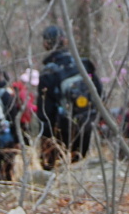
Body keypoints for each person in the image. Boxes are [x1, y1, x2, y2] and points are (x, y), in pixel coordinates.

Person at [37, 25, 103, 170]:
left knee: (53, 171)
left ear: (46, 44)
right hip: (86, 121)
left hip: (61, 128)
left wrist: (46, 139)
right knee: (79, 165)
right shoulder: (83, 64)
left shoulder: (48, 72)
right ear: (65, 41)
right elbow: (99, 91)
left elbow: (45, 111)